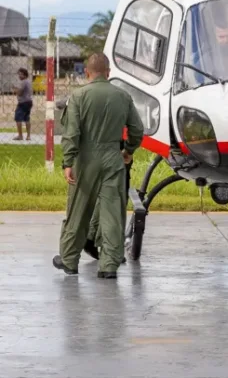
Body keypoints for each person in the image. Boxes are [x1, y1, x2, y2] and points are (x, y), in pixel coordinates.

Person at [53, 53, 144, 278]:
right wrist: (128, 151)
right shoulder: (122, 96)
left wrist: (68, 161)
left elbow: (71, 133)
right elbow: (137, 130)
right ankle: (109, 265)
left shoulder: (78, 96)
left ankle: (69, 260)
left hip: (85, 160)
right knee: (112, 212)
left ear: (87, 73)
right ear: (108, 72)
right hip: (113, 157)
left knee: (78, 209)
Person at [13, 68, 33, 141]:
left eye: (20, 74)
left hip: (23, 103)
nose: (19, 76)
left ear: (24, 75)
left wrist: (15, 89)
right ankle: (28, 136)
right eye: (19, 74)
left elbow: (20, 93)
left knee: (18, 118)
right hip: (29, 101)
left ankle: (20, 136)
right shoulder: (28, 81)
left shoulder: (24, 82)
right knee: (27, 118)